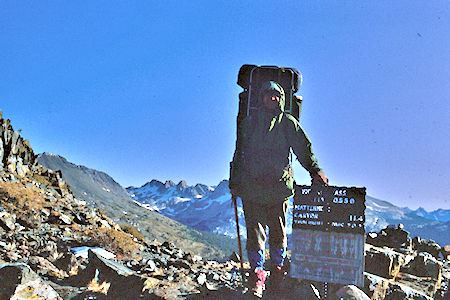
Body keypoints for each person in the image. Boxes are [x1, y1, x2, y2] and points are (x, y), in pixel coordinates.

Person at [229, 80, 328, 298]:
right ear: (262, 98)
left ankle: (277, 271)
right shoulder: (250, 122)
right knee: (255, 233)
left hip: (279, 188)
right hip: (252, 187)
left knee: (278, 232)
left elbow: (304, 148)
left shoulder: (288, 123)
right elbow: (240, 151)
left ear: (281, 99)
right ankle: (257, 275)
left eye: (276, 96)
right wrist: (234, 180)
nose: (272, 99)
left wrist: (315, 170)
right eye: (268, 95)